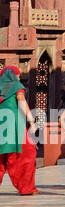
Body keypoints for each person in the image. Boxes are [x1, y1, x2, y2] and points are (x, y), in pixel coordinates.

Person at [0, 65, 37, 195]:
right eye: (18, 75)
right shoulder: (16, 86)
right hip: (14, 124)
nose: (19, 77)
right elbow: (22, 102)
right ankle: (26, 187)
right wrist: (31, 122)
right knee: (24, 156)